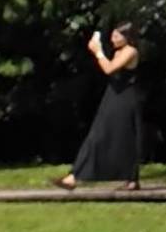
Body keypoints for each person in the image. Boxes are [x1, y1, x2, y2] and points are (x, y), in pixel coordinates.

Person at [62, 24, 149, 191]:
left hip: (126, 99)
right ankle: (74, 175)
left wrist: (98, 52)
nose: (113, 39)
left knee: (126, 136)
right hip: (113, 97)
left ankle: (132, 179)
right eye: (112, 35)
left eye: (117, 36)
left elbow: (109, 69)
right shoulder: (118, 52)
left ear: (127, 37)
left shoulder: (131, 51)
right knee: (99, 134)